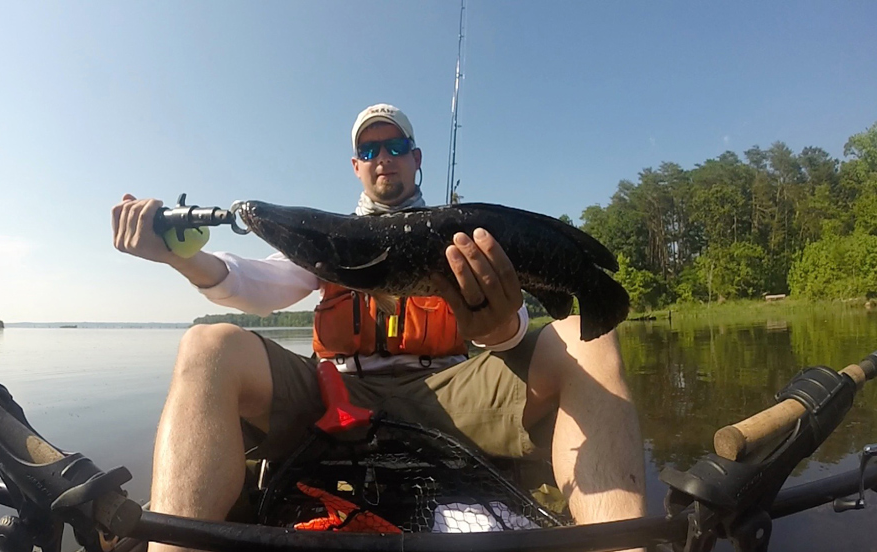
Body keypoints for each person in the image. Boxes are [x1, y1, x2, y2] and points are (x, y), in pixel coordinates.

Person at [112, 104, 646, 552]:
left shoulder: (458, 233)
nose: (382, 159)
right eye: (369, 151)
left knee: (584, 336)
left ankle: (623, 542)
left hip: (451, 393)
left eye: (394, 147)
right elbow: (254, 282)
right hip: (337, 395)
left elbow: (511, 332)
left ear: (416, 159)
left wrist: (500, 326)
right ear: (355, 166)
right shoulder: (332, 242)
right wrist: (181, 258)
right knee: (207, 343)